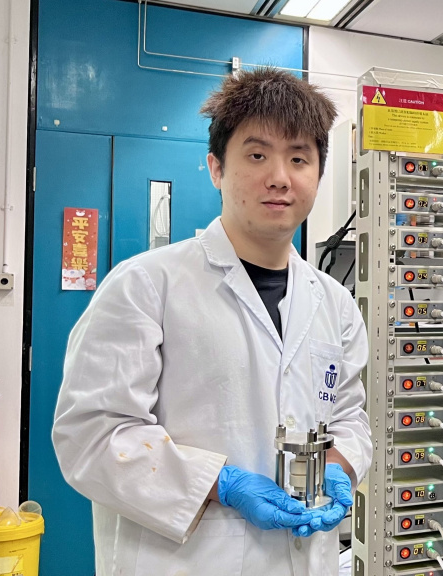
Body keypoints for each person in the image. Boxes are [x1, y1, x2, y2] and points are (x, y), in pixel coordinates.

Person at [52, 68, 370, 576]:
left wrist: (340, 465)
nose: (279, 177)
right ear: (216, 167)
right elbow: (90, 436)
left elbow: (351, 417)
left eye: (299, 158)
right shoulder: (145, 286)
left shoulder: (335, 303)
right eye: (257, 154)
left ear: (317, 174)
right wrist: (221, 484)